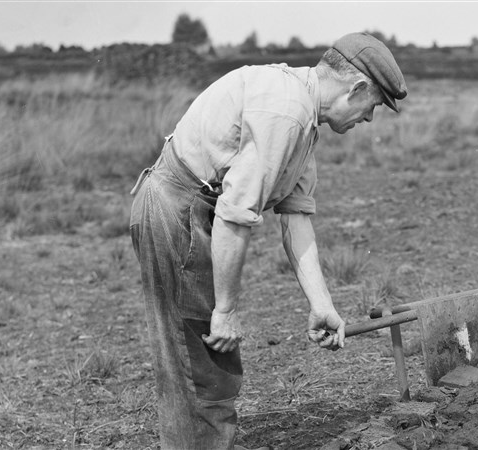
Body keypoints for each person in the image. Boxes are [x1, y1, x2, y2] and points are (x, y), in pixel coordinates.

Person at [129, 32, 407, 449]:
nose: (369, 119)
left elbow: (295, 219)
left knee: (206, 364)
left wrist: (322, 305)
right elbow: (234, 217)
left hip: (194, 210)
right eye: (375, 106)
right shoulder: (287, 112)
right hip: (178, 209)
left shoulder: (305, 122)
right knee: (197, 364)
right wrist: (225, 310)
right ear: (357, 88)